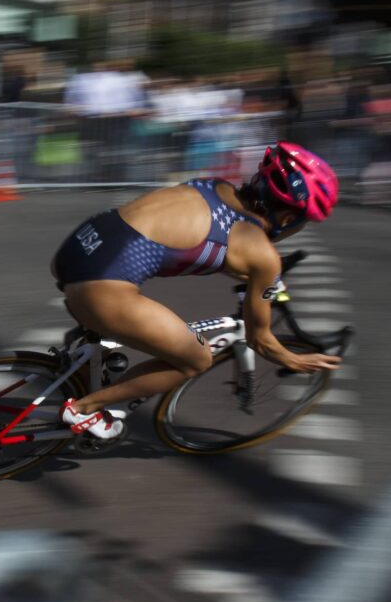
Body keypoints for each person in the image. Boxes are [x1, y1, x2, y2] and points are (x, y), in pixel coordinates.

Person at [50, 141, 342, 439]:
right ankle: (85, 410)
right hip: (101, 285)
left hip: (79, 246)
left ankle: (75, 368)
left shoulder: (216, 186)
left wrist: (262, 275)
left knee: (112, 334)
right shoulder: (261, 254)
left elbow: (212, 247)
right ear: (290, 218)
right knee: (196, 358)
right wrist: (294, 360)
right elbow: (260, 340)